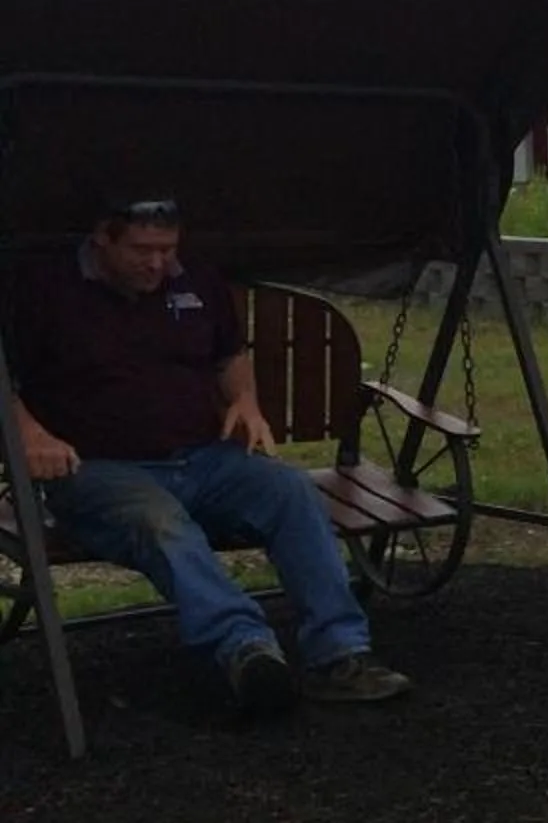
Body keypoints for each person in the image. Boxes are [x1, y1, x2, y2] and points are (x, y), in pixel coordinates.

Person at [3, 196, 412, 713]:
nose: (157, 263)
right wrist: (31, 436)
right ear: (102, 238)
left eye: (167, 249)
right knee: (162, 525)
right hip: (99, 469)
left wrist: (245, 399)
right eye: (142, 250)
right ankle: (245, 650)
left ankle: (339, 655)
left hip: (204, 458)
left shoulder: (194, 279)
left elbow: (229, 355)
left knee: (290, 492)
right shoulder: (44, 289)